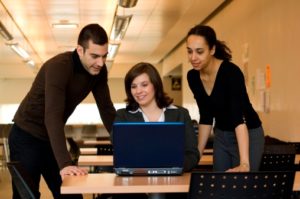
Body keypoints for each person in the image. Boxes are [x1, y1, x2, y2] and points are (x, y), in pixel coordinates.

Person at [8, 24, 116, 199]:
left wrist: (126, 144)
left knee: (70, 194)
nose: (100, 63)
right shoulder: (59, 67)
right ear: (80, 50)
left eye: (104, 56)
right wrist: (65, 164)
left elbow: (107, 109)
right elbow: (52, 116)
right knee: (27, 195)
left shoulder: (99, 71)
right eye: (95, 56)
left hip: (50, 138)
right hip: (25, 136)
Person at [112, 62, 199, 199]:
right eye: (133, 86)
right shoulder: (123, 115)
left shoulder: (180, 114)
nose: (138, 91)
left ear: (155, 85)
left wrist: (172, 167)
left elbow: (193, 154)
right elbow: (121, 153)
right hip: (134, 186)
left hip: (173, 185)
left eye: (144, 85)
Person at [186, 25, 265, 172]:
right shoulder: (193, 77)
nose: (193, 57)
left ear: (212, 50)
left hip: (247, 132)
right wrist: (195, 157)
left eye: (199, 52)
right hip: (221, 135)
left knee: (242, 186)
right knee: (220, 186)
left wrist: (244, 163)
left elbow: (238, 119)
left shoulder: (231, 73)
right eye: (189, 51)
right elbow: (206, 117)